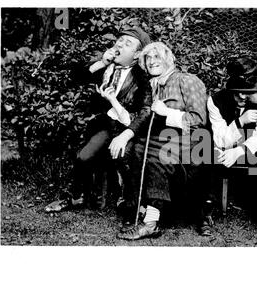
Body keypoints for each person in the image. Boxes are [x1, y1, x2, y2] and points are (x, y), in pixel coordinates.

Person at [45, 27, 152, 213]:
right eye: (120, 40)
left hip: (126, 129)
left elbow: (144, 111)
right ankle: (76, 197)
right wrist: (101, 62)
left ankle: (130, 200)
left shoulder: (142, 77)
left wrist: (127, 131)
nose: (119, 44)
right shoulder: (106, 66)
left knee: (125, 161)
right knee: (83, 157)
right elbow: (75, 77)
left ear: (137, 55)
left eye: (128, 44)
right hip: (102, 127)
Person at [117, 42, 207, 240]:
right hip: (161, 137)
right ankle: (137, 209)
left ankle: (150, 223)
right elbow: (145, 115)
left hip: (191, 140)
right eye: (148, 59)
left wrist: (168, 113)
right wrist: (127, 134)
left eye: (156, 57)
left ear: (169, 59)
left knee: (157, 154)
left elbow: (199, 121)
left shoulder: (188, 80)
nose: (151, 62)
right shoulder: (152, 85)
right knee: (133, 150)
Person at [202, 57, 257, 239]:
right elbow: (221, 139)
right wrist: (240, 121)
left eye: (247, 92)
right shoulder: (215, 101)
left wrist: (240, 150)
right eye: (238, 92)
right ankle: (205, 214)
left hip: (251, 146)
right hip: (224, 143)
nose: (243, 97)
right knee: (209, 156)